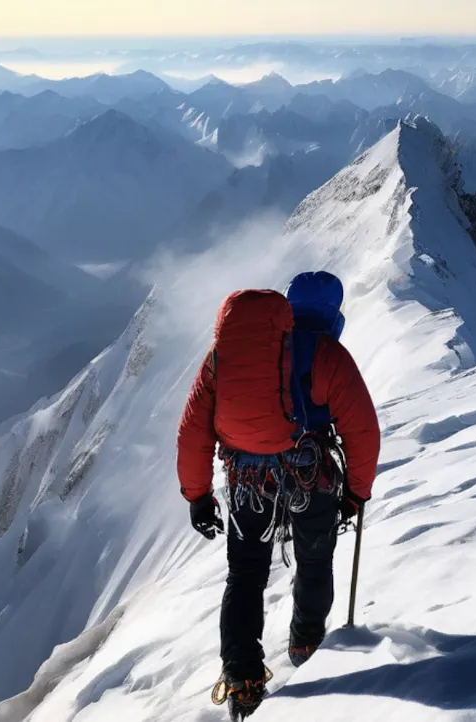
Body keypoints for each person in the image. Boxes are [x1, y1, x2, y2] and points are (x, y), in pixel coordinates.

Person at [176, 271, 380, 717]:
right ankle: (307, 643)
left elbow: (194, 428)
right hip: (313, 478)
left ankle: (243, 680)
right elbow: (362, 430)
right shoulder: (328, 354)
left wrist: (198, 496)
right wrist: (355, 494)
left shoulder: (225, 356)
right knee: (313, 559)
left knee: (245, 574)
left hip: (248, 480)